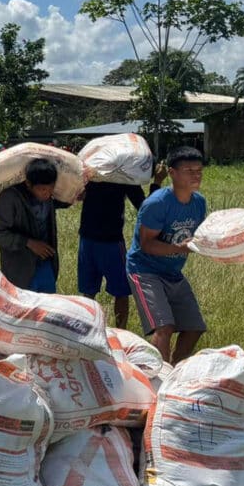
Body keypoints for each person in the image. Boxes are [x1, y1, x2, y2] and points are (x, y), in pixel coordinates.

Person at [125, 146, 208, 364]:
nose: (196, 175)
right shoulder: (157, 204)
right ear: (172, 173)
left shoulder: (199, 202)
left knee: (194, 328)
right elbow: (147, 245)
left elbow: (199, 235)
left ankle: (172, 372)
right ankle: (158, 380)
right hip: (144, 270)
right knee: (164, 327)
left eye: (199, 170)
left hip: (173, 271)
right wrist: (180, 248)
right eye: (189, 170)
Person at [78, 162, 167, 328]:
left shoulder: (91, 175)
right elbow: (145, 208)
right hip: (110, 242)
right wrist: (157, 182)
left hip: (87, 239)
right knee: (121, 291)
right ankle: (120, 332)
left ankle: (86, 332)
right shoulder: (124, 178)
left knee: (89, 292)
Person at [0, 158, 65, 293]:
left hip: (45, 264)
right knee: (24, 310)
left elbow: (61, 201)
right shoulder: (10, 199)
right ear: (28, 184)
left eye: (51, 188)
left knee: (47, 308)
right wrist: (28, 243)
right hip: (20, 269)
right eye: (42, 189)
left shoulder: (49, 198)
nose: (47, 194)